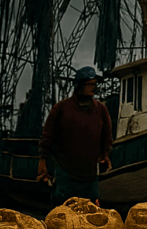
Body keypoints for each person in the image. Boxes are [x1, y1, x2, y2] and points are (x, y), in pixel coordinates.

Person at [37, 66, 113, 206]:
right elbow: (47, 137)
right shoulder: (61, 109)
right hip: (66, 174)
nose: (93, 87)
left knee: (90, 214)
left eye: (94, 84)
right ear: (79, 86)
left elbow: (107, 137)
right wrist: (43, 163)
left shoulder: (101, 110)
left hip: (89, 176)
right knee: (63, 213)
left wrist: (105, 155)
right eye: (90, 84)